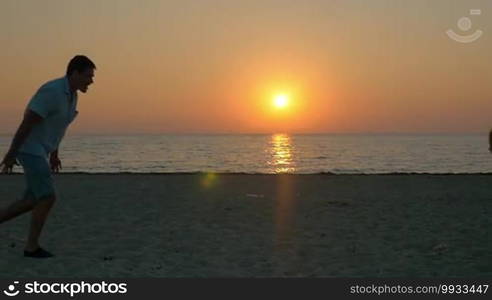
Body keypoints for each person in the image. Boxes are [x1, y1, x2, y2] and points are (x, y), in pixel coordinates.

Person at [0, 55, 96, 258]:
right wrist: (11, 154)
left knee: (31, 199)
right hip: (30, 149)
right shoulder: (52, 92)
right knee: (47, 197)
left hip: (41, 151)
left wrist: (54, 154)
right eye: (88, 76)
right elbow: (27, 122)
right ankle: (31, 247)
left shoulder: (72, 94)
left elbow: (58, 127)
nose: (91, 81)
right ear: (75, 73)